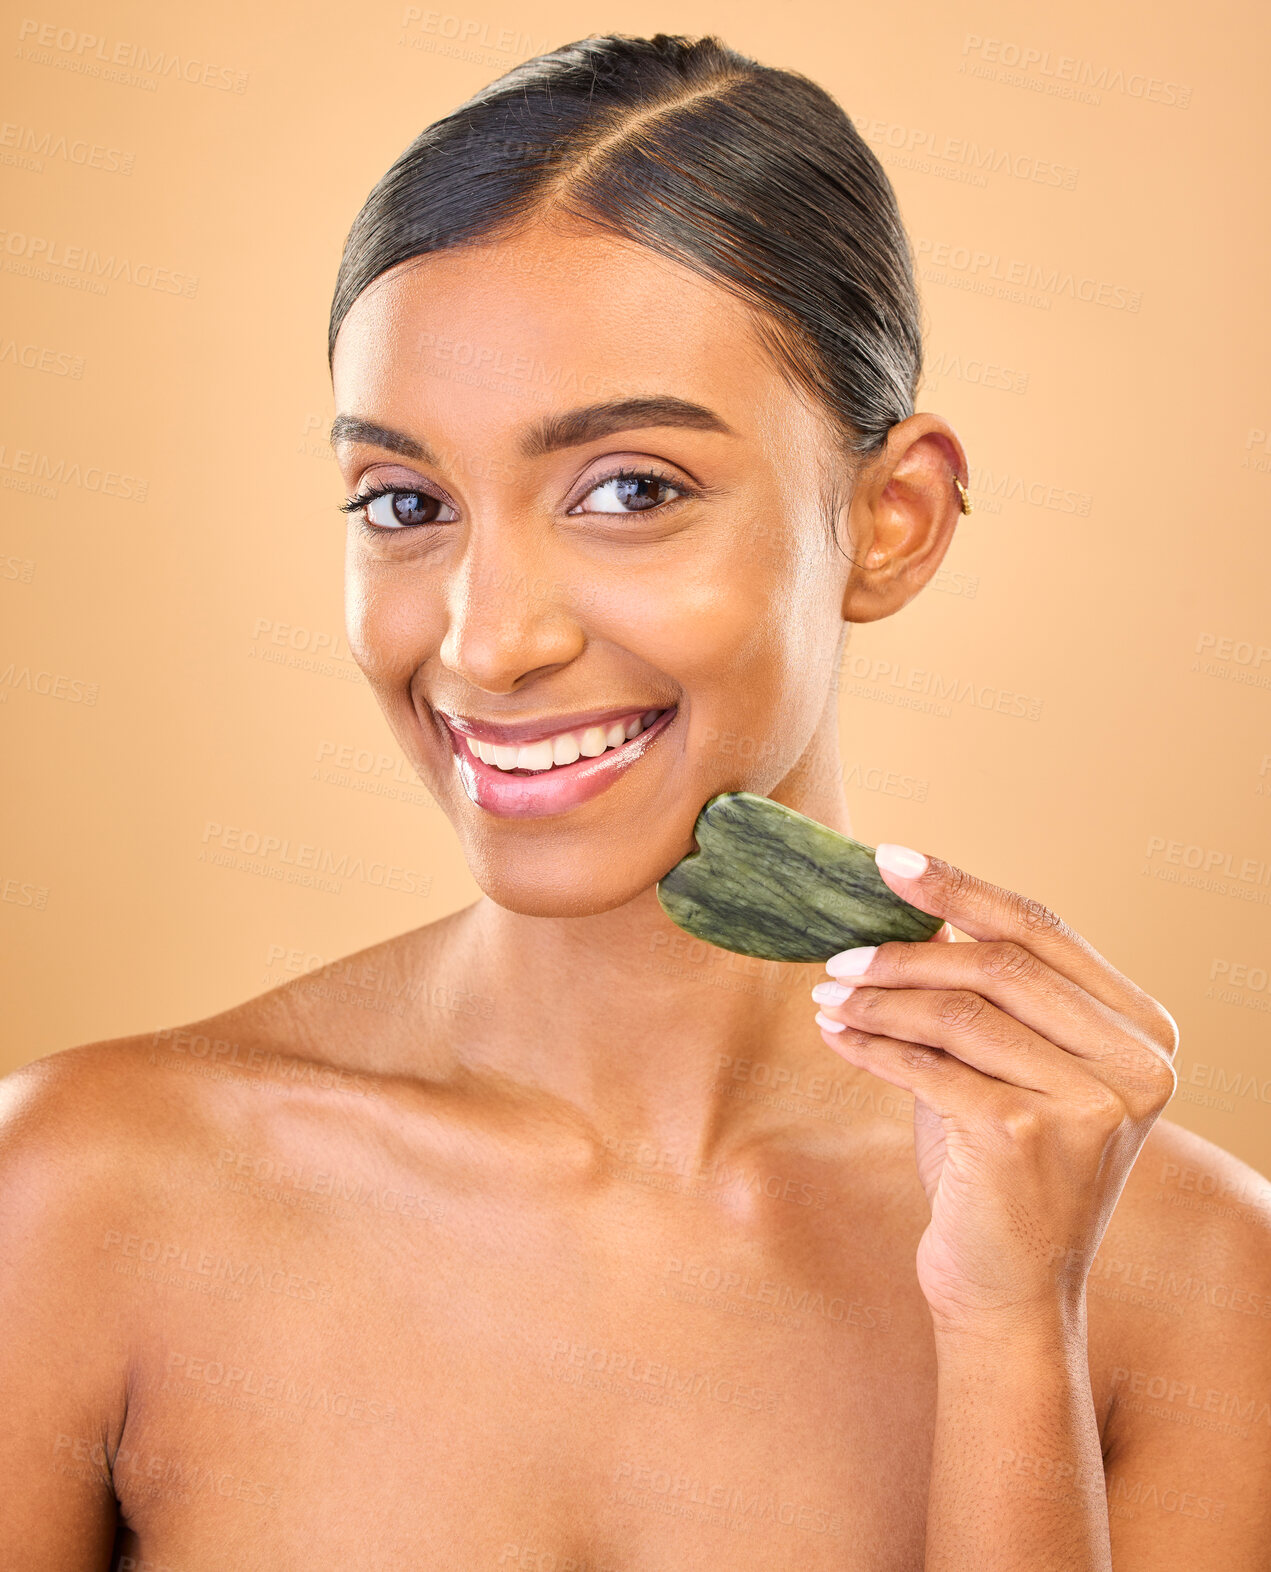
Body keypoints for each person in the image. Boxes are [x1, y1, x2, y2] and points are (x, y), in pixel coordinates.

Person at [3, 31, 1268, 1571]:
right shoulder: (74, 1199)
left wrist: (1009, 1328)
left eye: (630, 490)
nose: (485, 638)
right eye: (407, 505)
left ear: (892, 520)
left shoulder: (1191, 1276)